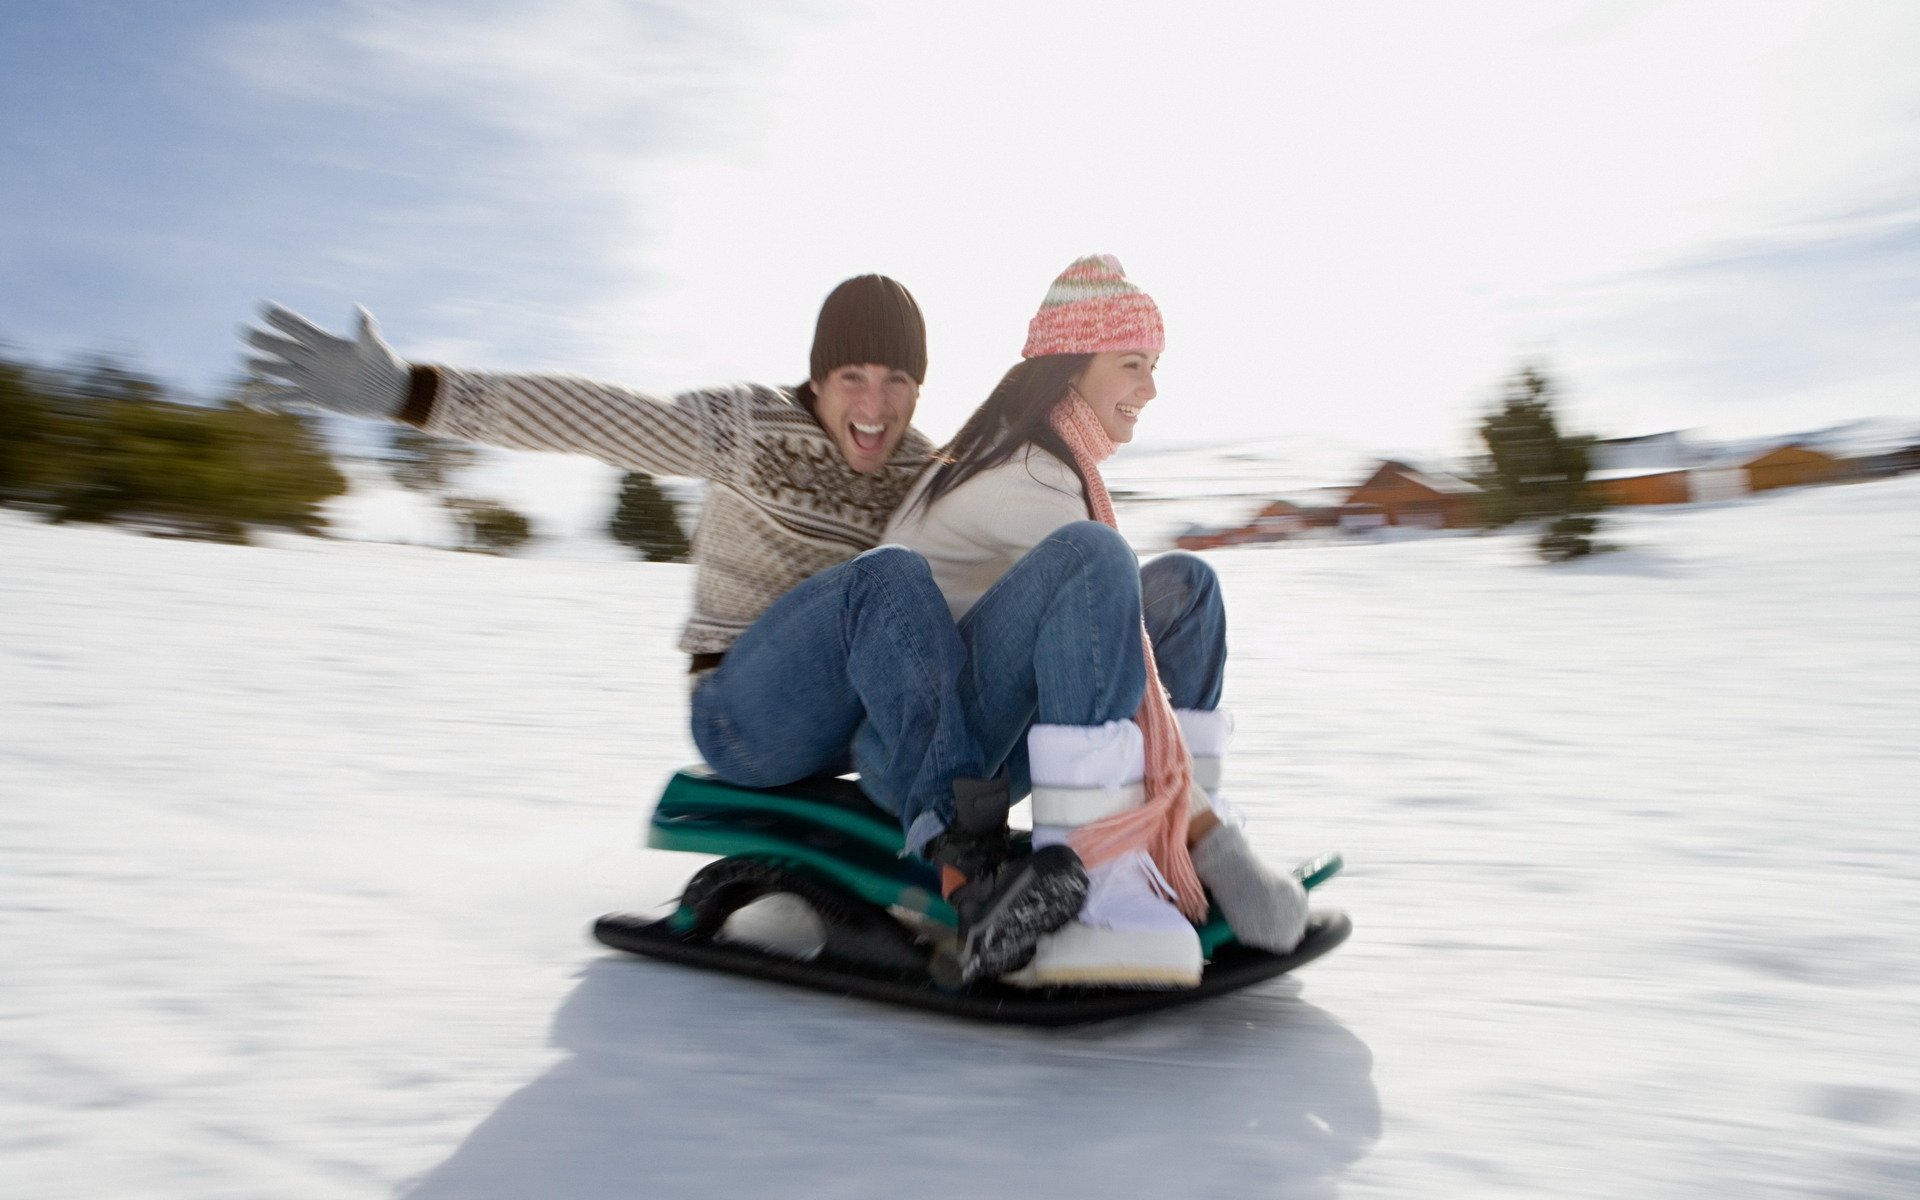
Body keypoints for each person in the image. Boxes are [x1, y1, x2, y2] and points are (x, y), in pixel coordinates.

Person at [241, 276, 1086, 982]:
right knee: (886, 578)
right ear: (819, 376)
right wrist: (408, 392)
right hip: (747, 718)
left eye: (898, 380)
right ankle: (971, 876)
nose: (875, 404)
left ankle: (1101, 841)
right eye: (853, 377)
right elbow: (588, 414)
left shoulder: (921, 469)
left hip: (859, 729)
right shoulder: (745, 428)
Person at [884, 255, 1310, 988]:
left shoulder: (1058, 456)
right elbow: (1116, 650)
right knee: (1095, 562)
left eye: (1153, 365)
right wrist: (1220, 844)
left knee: (1186, 588)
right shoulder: (1028, 473)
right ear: (1074, 365)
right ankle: (1105, 866)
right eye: (1133, 364)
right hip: (936, 746)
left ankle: (1169, 840)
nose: (1151, 387)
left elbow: (1121, 645)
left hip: (992, 714)